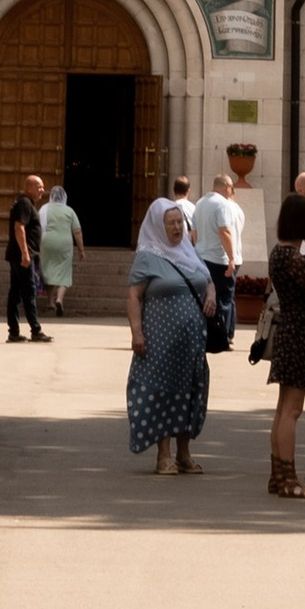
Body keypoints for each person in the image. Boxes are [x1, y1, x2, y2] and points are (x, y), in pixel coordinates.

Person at [126, 200, 213, 474]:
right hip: (160, 343)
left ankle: (184, 453)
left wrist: (210, 294)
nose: (177, 228)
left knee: (190, 392)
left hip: (192, 344)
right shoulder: (148, 256)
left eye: (180, 222)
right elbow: (133, 295)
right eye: (171, 223)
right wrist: (137, 332)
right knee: (162, 393)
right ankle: (163, 455)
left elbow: (206, 279)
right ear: (157, 226)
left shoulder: (189, 251)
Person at [258, 188, 305, 497]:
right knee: (292, 411)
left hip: (285, 331)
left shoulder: (277, 252)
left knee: (282, 408)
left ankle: (278, 475)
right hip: (297, 334)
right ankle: (289, 479)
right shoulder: (295, 257)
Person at [191, 169, 245, 349]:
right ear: (228, 187)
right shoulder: (222, 204)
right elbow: (225, 231)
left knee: (204, 298)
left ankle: (204, 334)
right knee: (223, 299)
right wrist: (231, 258)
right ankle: (220, 337)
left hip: (201, 257)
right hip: (218, 259)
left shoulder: (199, 203)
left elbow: (194, 233)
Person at [5, 175, 49, 342]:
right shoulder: (24, 204)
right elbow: (19, 227)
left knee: (15, 293)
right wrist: (25, 253)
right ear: (29, 188)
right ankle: (36, 330)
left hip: (18, 255)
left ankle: (14, 332)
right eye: (39, 187)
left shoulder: (26, 203)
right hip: (22, 256)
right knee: (28, 292)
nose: (42, 190)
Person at [37, 177, 82, 317]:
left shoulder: (44, 209)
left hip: (47, 243)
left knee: (47, 270)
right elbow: (77, 231)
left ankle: (50, 302)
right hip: (64, 244)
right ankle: (59, 299)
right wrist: (81, 249)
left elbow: (36, 227)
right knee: (64, 272)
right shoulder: (69, 211)